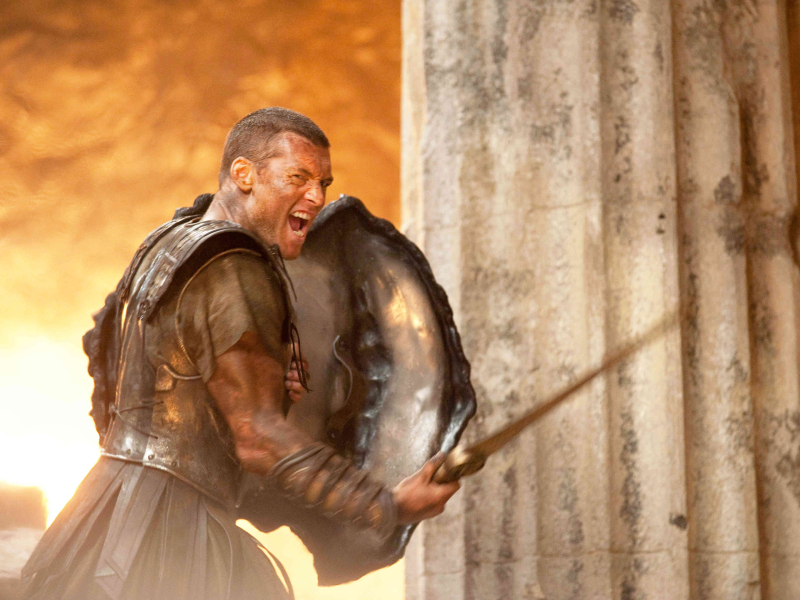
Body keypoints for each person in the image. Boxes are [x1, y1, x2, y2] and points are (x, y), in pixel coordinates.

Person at [20, 107, 460, 600]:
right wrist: (385, 505)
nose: (317, 197)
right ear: (244, 175)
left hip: (107, 507)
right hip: (171, 537)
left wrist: (266, 378)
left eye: (323, 183)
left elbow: (154, 381)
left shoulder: (170, 241)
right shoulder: (233, 266)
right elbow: (259, 438)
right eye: (298, 177)